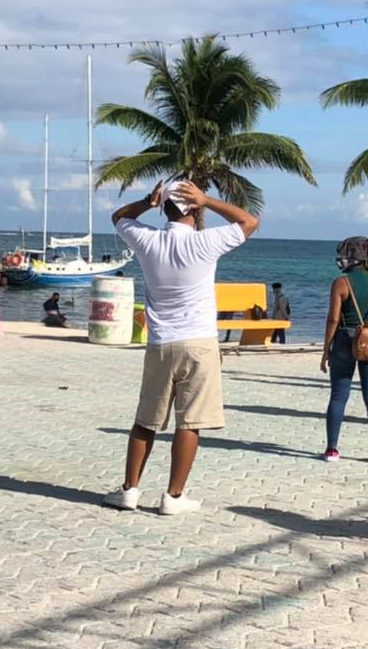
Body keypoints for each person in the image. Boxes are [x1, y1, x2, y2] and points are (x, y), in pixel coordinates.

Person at [105, 177, 258, 515]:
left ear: (164, 209)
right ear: (195, 210)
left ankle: (129, 490)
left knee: (146, 420)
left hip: (161, 343)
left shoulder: (148, 240)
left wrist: (147, 202)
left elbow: (119, 217)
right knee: (190, 422)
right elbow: (249, 221)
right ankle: (173, 497)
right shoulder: (206, 242)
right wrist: (208, 201)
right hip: (200, 342)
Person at [320, 237, 368, 463]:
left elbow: (333, 319)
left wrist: (326, 350)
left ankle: (332, 449)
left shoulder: (341, 283)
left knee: (338, 396)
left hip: (345, 340)